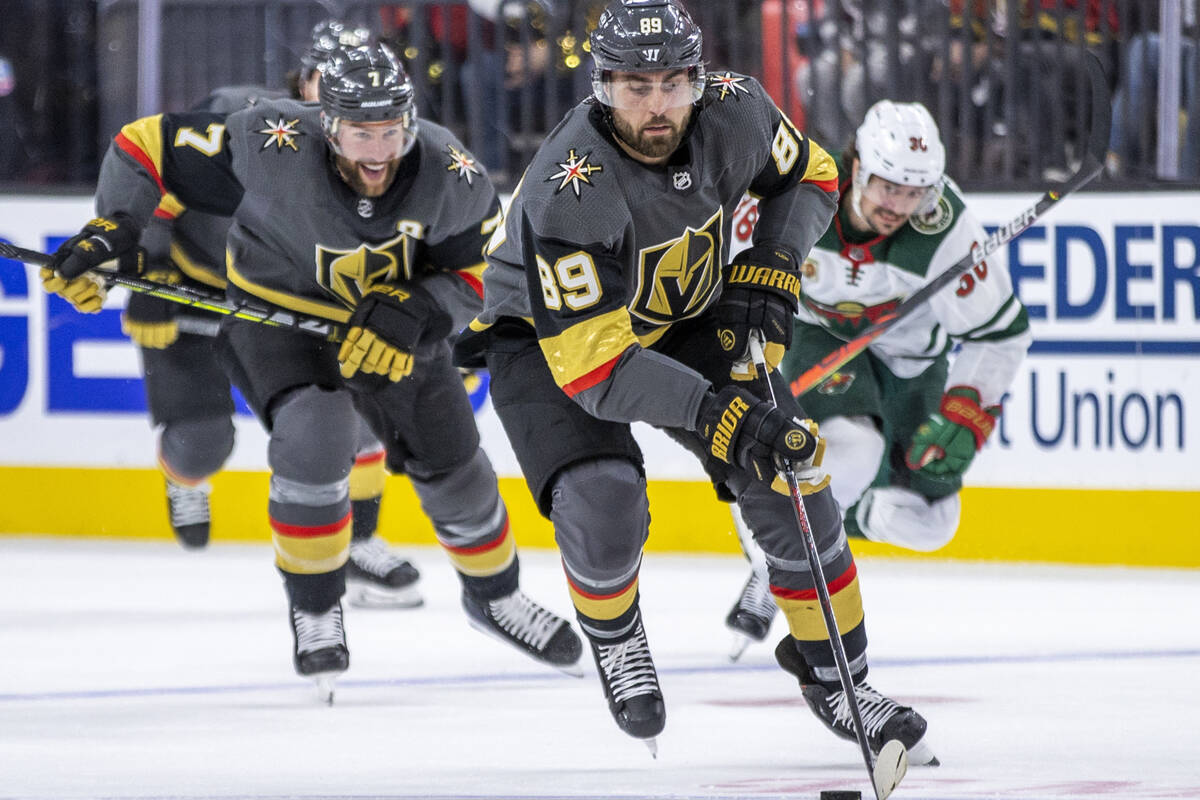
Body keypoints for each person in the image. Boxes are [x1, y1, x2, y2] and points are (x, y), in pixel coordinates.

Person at [458, 0, 936, 763]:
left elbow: (812, 173)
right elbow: (597, 368)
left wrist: (774, 265)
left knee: (794, 479)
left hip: (681, 312)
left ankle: (837, 678)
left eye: (673, 84)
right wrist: (724, 418)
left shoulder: (738, 109)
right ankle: (615, 634)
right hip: (553, 341)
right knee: (603, 502)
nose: (656, 106)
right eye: (635, 87)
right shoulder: (567, 187)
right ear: (601, 86)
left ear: (700, 79)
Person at [42, 41, 583, 699]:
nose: (379, 150)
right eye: (361, 131)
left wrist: (422, 310)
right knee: (315, 432)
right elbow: (143, 145)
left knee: (459, 472)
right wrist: (115, 226)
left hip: (391, 330)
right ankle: (318, 605)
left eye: (390, 129)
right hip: (277, 319)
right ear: (328, 124)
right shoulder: (267, 140)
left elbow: (477, 274)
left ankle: (495, 598)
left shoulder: (453, 172)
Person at [97, 20, 421, 609]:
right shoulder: (237, 116)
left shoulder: (381, 149)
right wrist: (149, 272)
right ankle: (183, 476)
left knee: (360, 408)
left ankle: (353, 543)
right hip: (195, 291)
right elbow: (154, 175)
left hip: (283, 310)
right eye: (330, 80)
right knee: (202, 444)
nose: (347, 98)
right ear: (303, 80)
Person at [722, 100, 1032, 660]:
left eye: (913, 193)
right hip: (817, 333)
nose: (898, 206)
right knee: (856, 447)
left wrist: (968, 413)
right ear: (858, 164)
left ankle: (831, 519)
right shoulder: (802, 189)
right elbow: (731, 264)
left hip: (912, 357)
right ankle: (781, 553)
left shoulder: (944, 230)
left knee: (935, 522)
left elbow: (1000, 332)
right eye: (888, 186)